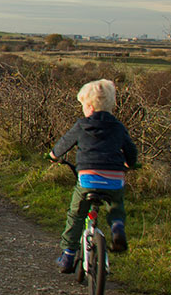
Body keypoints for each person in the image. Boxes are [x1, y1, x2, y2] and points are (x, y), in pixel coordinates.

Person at [50, 78, 138, 274]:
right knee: (116, 207)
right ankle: (117, 227)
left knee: (76, 214)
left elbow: (64, 143)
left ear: (88, 106)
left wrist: (53, 155)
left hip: (88, 178)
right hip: (114, 177)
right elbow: (131, 152)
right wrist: (128, 164)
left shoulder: (82, 125)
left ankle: (68, 255)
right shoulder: (118, 127)